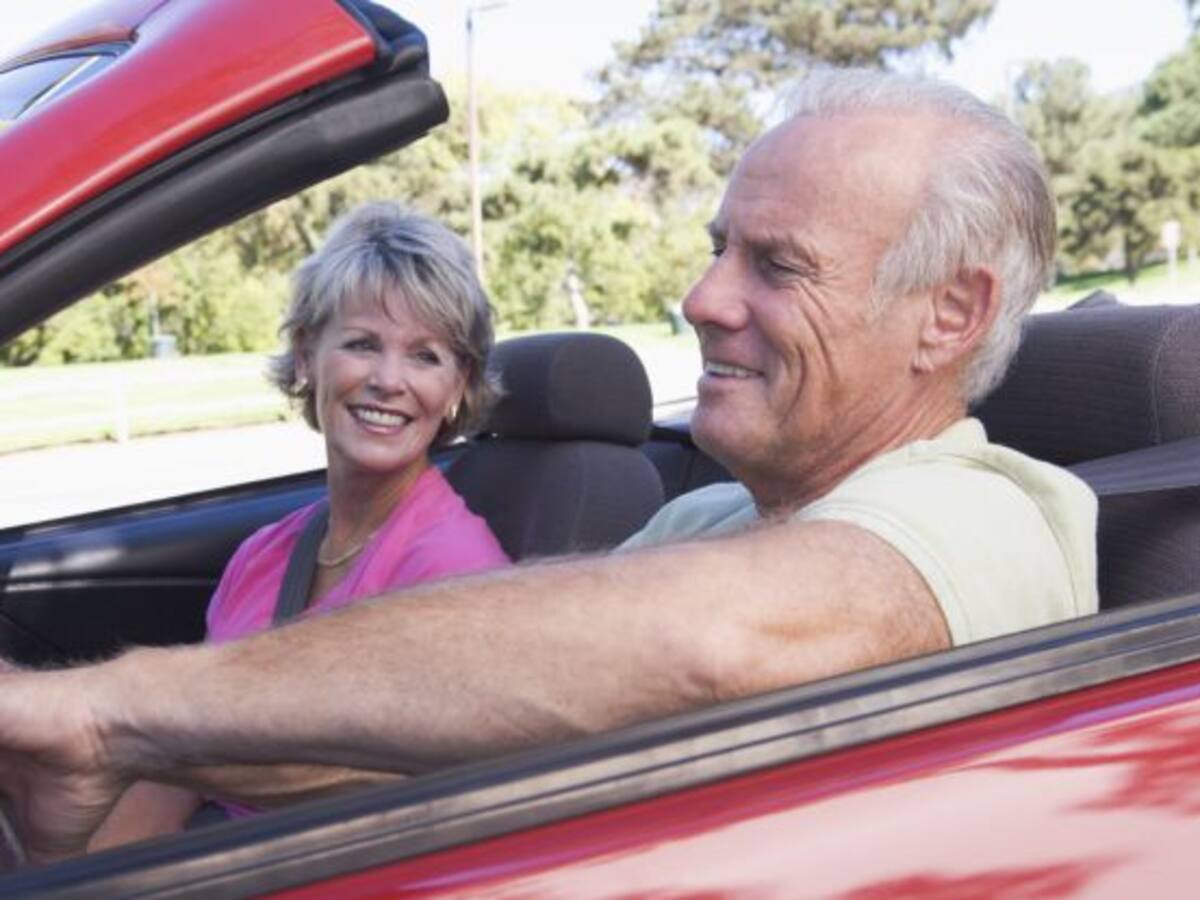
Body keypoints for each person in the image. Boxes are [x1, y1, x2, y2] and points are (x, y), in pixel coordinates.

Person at [0, 68, 1097, 865]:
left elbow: (713, 643)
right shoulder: (709, 520)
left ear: (948, 314)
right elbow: (441, 753)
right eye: (720, 247)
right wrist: (143, 750)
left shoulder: (991, 512)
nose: (703, 297)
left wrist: (113, 708)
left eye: (777, 264)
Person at [85, 202, 511, 850]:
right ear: (308, 356)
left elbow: (420, 819)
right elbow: (177, 765)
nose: (388, 380)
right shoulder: (265, 554)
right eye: (362, 343)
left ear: (458, 388)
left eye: (425, 356)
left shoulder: (456, 571)